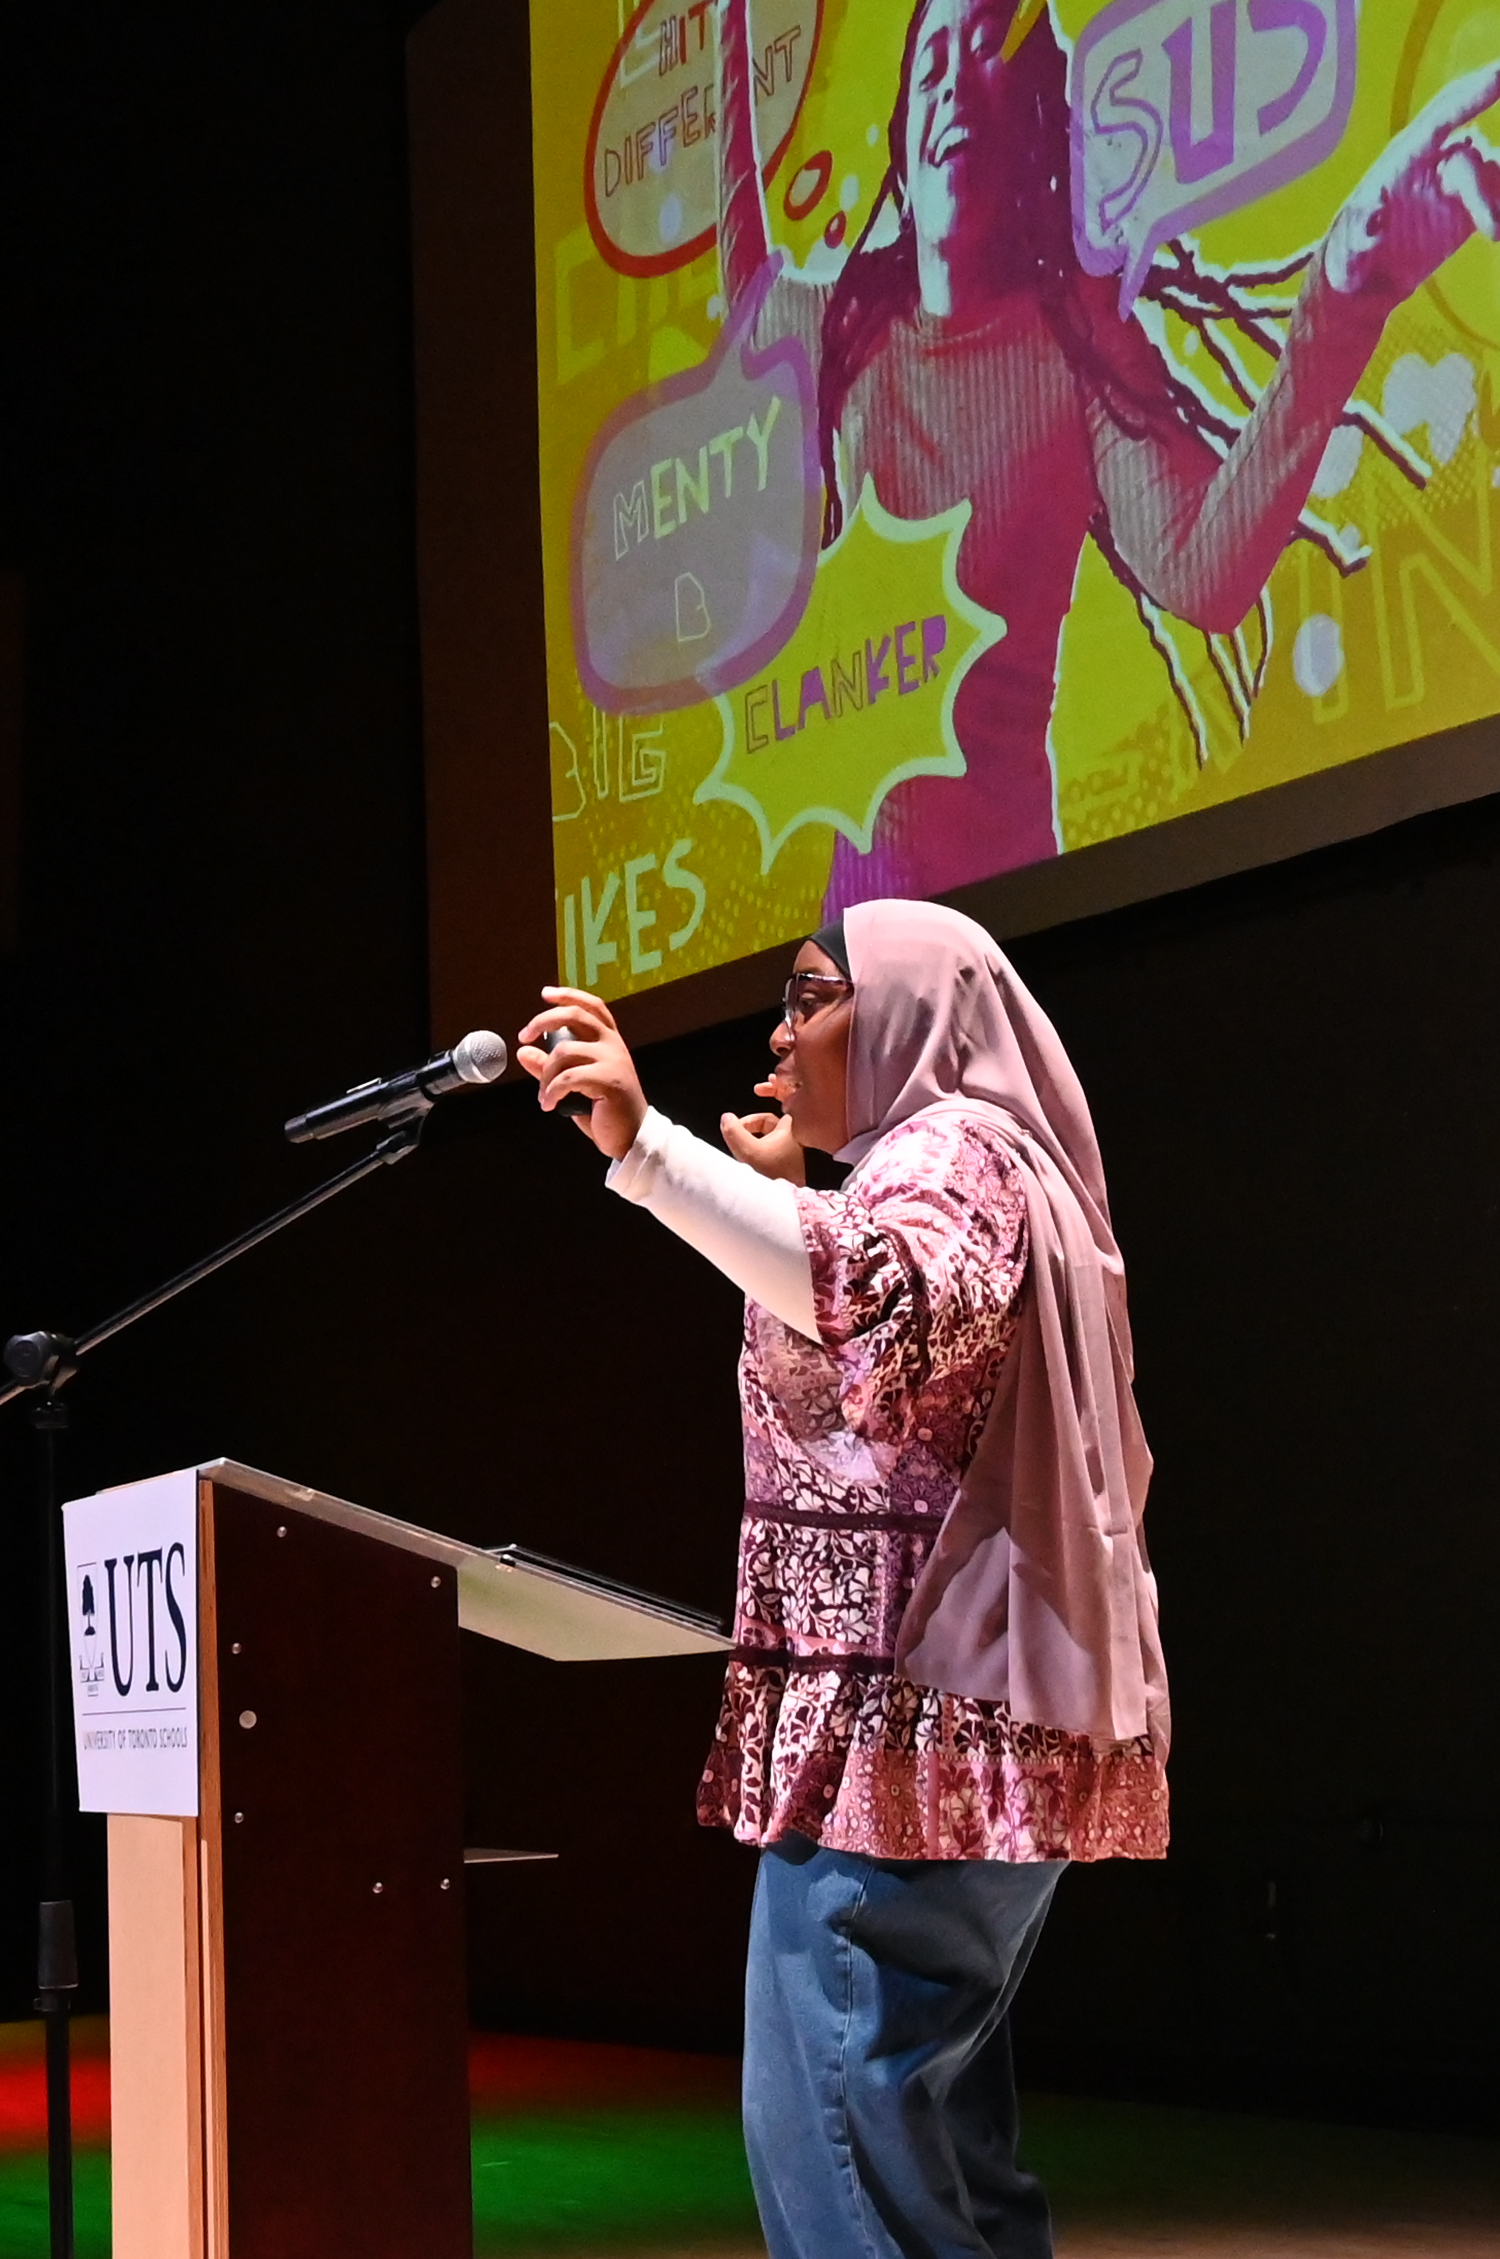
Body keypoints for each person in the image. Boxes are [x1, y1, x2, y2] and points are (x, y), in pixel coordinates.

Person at [701, 0, 1500, 908]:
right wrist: (732, 8)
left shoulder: (1078, 347)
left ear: (1035, 122)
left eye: (987, 52)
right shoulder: (847, 321)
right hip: (857, 939)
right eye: (930, 67)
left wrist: (1347, 290)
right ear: (903, 150)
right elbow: (751, 290)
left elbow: (1202, 571)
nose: (954, 84)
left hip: (1011, 932)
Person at [514, 900, 1160, 2259]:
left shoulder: (956, 1151)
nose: (779, 1030)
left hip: (904, 1732)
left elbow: (871, 1292)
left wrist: (646, 1145)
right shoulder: (971, 1166)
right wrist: (800, 1198)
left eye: (814, 995)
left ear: (916, 1012)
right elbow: (881, 1340)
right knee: (937, 2155)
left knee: (844, 2149)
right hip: (952, 1727)